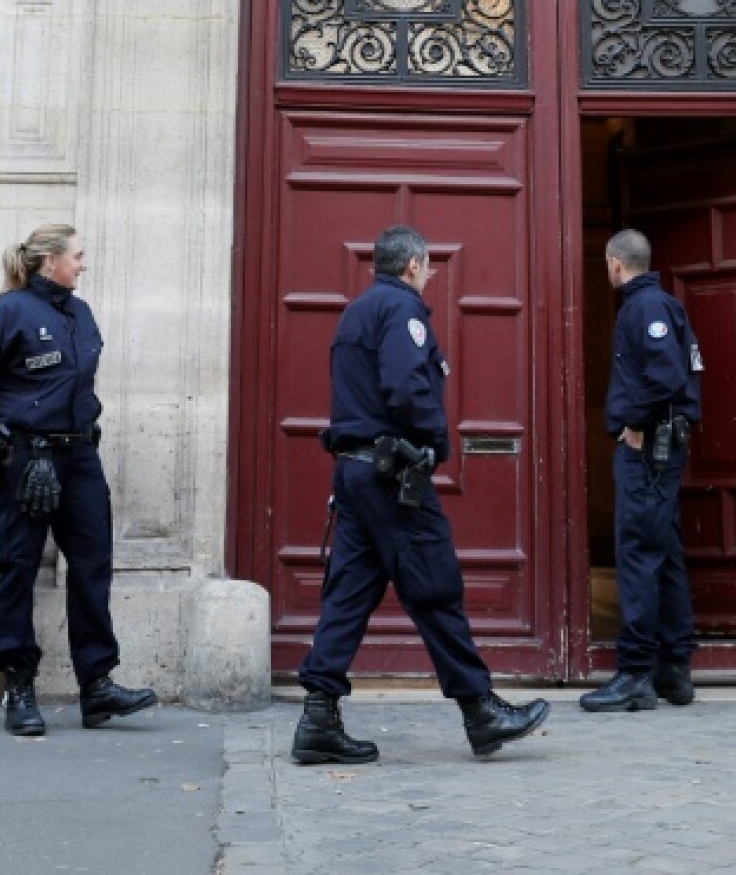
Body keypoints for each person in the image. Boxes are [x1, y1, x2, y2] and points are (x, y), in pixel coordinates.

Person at [293, 224, 550, 763]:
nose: (428, 274)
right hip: (392, 479)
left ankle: (318, 717)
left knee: (349, 592)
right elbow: (408, 387)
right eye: (428, 266)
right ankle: (481, 710)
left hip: (357, 475)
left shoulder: (356, 312)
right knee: (434, 586)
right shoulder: (402, 312)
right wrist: (436, 442)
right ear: (413, 265)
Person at [0, 224, 157, 737]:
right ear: (49, 261)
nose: (83, 264)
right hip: (27, 458)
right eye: (77, 256)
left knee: (91, 567)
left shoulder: (78, 313)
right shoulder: (4, 312)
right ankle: (19, 687)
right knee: (18, 568)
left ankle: (97, 686)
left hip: (79, 456)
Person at [581, 227, 702, 714]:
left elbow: (666, 377)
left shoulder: (644, 307)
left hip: (648, 452)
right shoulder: (660, 304)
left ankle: (634, 674)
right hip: (662, 450)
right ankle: (675, 669)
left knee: (637, 555)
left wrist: (634, 423)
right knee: (665, 554)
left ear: (614, 262)